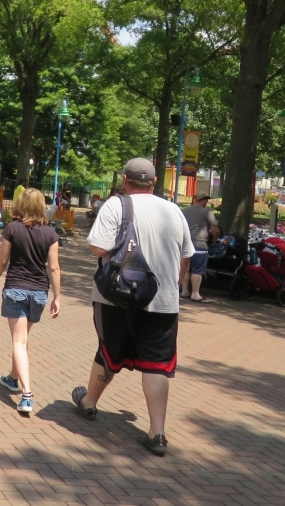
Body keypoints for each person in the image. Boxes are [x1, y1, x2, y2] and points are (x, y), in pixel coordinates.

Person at [71, 158, 195, 456]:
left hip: (116, 296)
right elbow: (186, 255)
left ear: (126, 180)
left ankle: (89, 403)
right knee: (157, 364)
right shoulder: (174, 211)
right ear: (154, 183)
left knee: (109, 349)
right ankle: (158, 432)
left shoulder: (116, 205)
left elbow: (99, 247)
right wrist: (174, 284)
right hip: (162, 300)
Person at [0, 188, 61, 415]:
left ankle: (27, 394)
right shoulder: (50, 233)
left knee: (18, 342)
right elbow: (54, 267)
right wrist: (57, 297)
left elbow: (2, 261)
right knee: (22, 339)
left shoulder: (12, 229)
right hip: (38, 292)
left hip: (16, 289)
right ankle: (12, 378)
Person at [181, 192, 219, 303]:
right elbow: (215, 229)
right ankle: (195, 294)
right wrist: (215, 239)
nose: (206, 202)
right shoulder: (207, 212)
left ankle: (184, 291)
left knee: (187, 268)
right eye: (205, 199)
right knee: (198, 270)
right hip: (200, 244)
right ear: (199, 200)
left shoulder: (184, 211)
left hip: (186, 244)